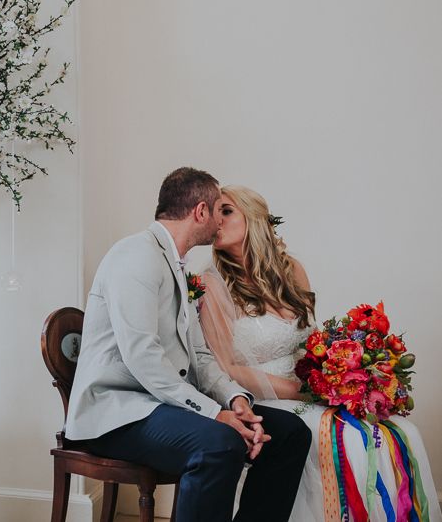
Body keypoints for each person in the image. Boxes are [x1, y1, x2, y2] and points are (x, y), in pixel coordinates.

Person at [65, 168, 311, 522]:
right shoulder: (135, 256)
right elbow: (143, 358)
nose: (219, 223)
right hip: (117, 414)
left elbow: (199, 354)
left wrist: (235, 400)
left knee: (289, 433)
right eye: (217, 211)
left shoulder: (179, 268)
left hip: (159, 405)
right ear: (200, 212)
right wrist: (214, 414)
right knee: (219, 444)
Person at [201, 185, 442, 522]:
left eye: (226, 210)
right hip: (262, 397)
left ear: (254, 218)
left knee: (397, 432)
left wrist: (342, 376)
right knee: (352, 444)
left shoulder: (292, 270)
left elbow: (311, 342)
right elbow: (224, 367)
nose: (215, 219)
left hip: (309, 388)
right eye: (213, 212)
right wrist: (304, 392)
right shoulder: (212, 285)